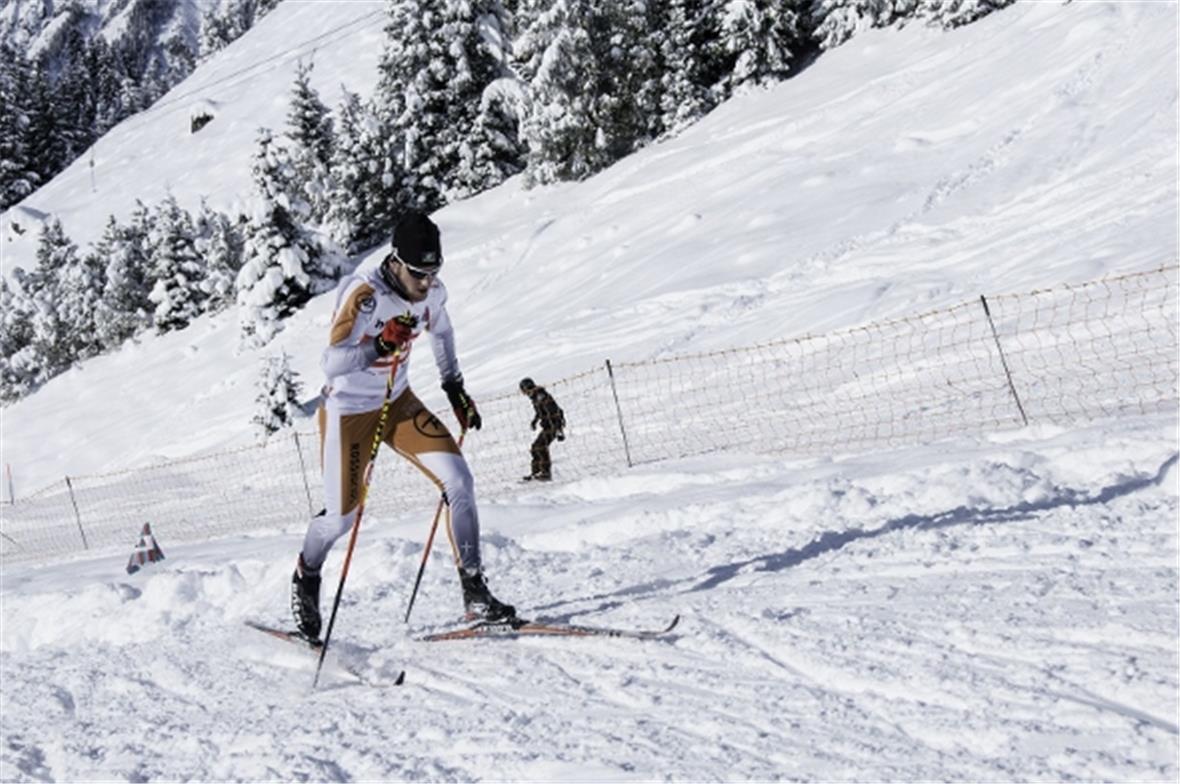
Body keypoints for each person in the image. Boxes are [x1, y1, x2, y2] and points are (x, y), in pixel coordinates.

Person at [290, 211, 516, 639]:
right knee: (341, 519)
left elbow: (443, 333)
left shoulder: (431, 292)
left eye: (435, 272)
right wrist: (377, 345)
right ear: (395, 262)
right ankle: (306, 573)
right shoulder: (364, 294)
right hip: (349, 411)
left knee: (459, 482)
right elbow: (330, 363)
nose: (427, 283)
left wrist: (454, 387)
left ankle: (475, 593)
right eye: (419, 273)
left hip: (398, 402)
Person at [519, 377, 565, 481]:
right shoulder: (536, 396)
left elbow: (553, 411)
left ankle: (545, 473)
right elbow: (540, 411)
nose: (524, 393)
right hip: (548, 425)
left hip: (553, 425)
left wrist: (558, 429)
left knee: (540, 447)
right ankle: (536, 472)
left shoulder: (541, 396)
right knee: (536, 447)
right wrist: (535, 421)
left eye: (524, 391)